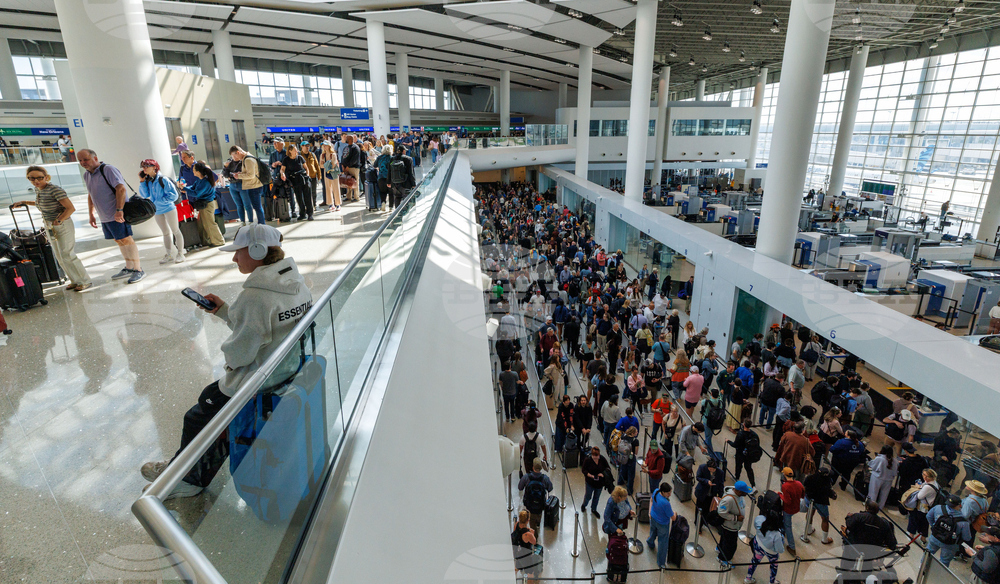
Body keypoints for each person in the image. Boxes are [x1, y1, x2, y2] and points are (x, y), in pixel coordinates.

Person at [139, 224, 313, 498]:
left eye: (238, 252)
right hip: (285, 369)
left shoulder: (254, 296)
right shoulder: (294, 283)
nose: (234, 259)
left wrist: (230, 360)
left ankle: (187, 480)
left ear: (257, 251)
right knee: (213, 414)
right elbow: (261, 329)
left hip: (256, 381)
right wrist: (224, 311)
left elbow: (241, 352)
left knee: (198, 417)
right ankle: (181, 467)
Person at [15, 165, 92, 290]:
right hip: (49, 224)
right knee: (59, 256)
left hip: (62, 224)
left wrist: (59, 220)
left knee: (67, 254)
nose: (36, 181)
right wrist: (25, 202)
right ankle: (75, 280)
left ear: (46, 177)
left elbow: (70, 208)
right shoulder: (39, 190)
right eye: (32, 178)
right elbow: (43, 203)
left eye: (39, 178)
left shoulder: (55, 189)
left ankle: (85, 280)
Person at [78, 149, 145, 283]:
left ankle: (138, 269)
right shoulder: (87, 175)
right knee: (119, 240)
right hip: (105, 215)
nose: (83, 163)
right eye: (80, 160)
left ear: (95, 158)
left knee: (126, 239)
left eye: (85, 159)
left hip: (116, 213)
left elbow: (121, 189)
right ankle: (129, 267)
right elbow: (91, 194)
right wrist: (91, 213)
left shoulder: (107, 169)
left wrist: (119, 209)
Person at [137, 159, 185, 264]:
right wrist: (142, 182)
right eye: (143, 167)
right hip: (157, 210)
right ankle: (169, 254)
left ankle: (180, 253)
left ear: (154, 167)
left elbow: (173, 195)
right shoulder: (149, 180)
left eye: (146, 166)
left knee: (175, 231)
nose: (144, 168)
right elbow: (145, 195)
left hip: (168, 208)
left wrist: (160, 201)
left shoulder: (163, 179)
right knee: (165, 233)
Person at [926, 495, 972, 567]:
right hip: (950, 544)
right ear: (960, 505)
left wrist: (934, 526)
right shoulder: (963, 521)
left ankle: (922, 567)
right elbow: (967, 538)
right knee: (944, 561)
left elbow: (928, 516)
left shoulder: (938, 508)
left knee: (928, 553)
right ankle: (938, 575)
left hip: (935, 537)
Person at [188, 161, 226, 247]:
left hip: (208, 204)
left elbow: (196, 193)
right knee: (203, 223)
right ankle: (207, 241)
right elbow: (193, 188)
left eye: (194, 170)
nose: (192, 171)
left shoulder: (205, 182)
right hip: (204, 204)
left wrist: (185, 189)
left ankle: (219, 241)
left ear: (198, 171)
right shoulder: (200, 180)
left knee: (210, 223)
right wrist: (185, 188)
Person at [717, 480, 752, 568]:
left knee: (725, 539)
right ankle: (723, 559)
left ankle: (720, 549)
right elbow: (721, 512)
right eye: (745, 492)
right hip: (730, 526)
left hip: (734, 526)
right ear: (739, 491)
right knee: (731, 545)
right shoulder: (728, 499)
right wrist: (736, 518)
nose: (746, 493)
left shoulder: (738, 495)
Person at [745, 512, 786, 584]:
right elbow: (779, 549)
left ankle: (748, 578)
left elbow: (756, 523)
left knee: (754, 561)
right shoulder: (777, 534)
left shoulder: (760, 521)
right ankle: (772, 582)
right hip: (771, 552)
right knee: (774, 566)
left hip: (758, 545)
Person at [802, 466, 837, 545]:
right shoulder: (826, 483)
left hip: (809, 499)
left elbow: (804, 486)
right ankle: (825, 539)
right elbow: (831, 494)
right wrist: (833, 494)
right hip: (821, 503)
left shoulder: (810, 478)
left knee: (810, 512)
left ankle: (809, 530)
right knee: (825, 519)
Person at [279, 144, 315, 221]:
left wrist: (307, 176)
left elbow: (306, 168)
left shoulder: (300, 158)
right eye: (294, 150)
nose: (296, 151)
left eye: (296, 149)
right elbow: (282, 169)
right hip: (294, 180)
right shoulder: (286, 160)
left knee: (307, 197)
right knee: (299, 198)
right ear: (290, 151)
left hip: (304, 179)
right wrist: (282, 173)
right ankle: (302, 214)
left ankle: (310, 214)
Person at [646, 482, 676, 570]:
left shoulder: (656, 491)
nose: (670, 495)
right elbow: (673, 518)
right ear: (663, 492)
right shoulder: (666, 503)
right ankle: (661, 563)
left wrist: (649, 512)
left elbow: (651, 500)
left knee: (652, 533)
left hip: (653, 518)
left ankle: (650, 542)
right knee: (663, 543)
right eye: (668, 493)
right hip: (663, 524)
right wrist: (675, 513)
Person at [519, 458, 554, 532]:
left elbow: (520, 487)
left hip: (529, 504)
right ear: (541, 468)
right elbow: (550, 488)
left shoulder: (526, 477)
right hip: (540, 505)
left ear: (533, 467)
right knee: (538, 515)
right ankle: (537, 524)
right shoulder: (545, 478)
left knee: (532, 520)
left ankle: (534, 533)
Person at [907, 468, 940, 540]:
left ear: (931, 477)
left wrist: (917, 488)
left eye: (926, 476)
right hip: (928, 507)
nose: (924, 477)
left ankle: (911, 535)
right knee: (924, 523)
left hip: (922, 507)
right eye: (923, 474)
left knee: (914, 519)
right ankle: (923, 538)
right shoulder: (935, 483)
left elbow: (919, 496)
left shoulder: (928, 487)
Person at [780, 466, 805, 557]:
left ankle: (792, 547)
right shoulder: (798, 483)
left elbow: (787, 501)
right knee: (787, 523)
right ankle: (784, 532)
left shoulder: (785, 486)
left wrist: (780, 494)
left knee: (788, 526)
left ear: (784, 475)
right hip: (796, 508)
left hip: (788, 509)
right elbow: (803, 495)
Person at [511, 509, 542, 583]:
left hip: (517, 552)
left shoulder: (517, 524)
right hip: (526, 556)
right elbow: (534, 542)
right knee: (530, 573)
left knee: (518, 565)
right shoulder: (528, 534)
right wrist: (532, 533)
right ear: (528, 520)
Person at [731, 418, 762, 488]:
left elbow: (735, 445)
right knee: (748, 468)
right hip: (749, 455)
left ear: (744, 424)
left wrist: (728, 441)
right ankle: (753, 484)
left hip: (740, 453)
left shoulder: (740, 434)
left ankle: (737, 477)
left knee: (738, 465)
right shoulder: (754, 434)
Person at [581, 446, 611, 518]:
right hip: (590, 482)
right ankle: (584, 505)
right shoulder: (588, 460)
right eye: (594, 456)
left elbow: (608, 468)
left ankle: (594, 509)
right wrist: (590, 475)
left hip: (599, 483)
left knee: (596, 497)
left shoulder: (602, 459)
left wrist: (602, 474)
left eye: (597, 456)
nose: (595, 458)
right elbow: (583, 470)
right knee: (588, 496)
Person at [867, 445, 899, 510]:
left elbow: (873, 467)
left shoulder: (879, 458)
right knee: (884, 495)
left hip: (877, 478)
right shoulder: (895, 461)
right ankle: (880, 507)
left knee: (873, 493)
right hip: (888, 480)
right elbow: (895, 472)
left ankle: (870, 507)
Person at [339, 134, 362, 202]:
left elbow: (355, 159)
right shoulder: (346, 147)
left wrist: (348, 166)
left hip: (353, 167)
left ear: (350, 139)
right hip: (346, 167)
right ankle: (348, 196)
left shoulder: (355, 148)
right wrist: (343, 165)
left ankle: (356, 196)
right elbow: (343, 156)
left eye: (347, 138)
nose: (345, 139)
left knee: (354, 182)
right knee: (347, 182)